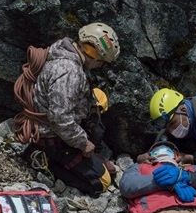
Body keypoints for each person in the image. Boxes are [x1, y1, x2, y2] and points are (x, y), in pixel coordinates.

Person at [13, 22, 120, 197]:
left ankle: (89, 155)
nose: (100, 66)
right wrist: (83, 143)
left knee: (100, 99)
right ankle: (42, 158)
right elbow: (59, 119)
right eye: (101, 61)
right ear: (94, 55)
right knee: (102, 182)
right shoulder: (70, 72)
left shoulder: (61, 51)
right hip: (55, 138)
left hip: (60, 125)